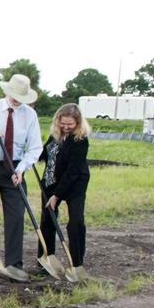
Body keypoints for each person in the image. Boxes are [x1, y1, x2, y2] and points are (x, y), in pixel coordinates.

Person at [0, 73, 43, 271]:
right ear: (6, 91)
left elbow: (35, 148)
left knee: (16, 215)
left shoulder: (30, 115)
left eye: (20, 96)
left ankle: (14, 264)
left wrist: (22, 168)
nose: (16, 99)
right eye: (14, 94)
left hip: (14, 168)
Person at [39, 103, 91, 273]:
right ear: (58, 120)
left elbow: (72, 171)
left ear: (78, 123)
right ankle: (46, 259)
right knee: (48, 220)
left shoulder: (80, 140)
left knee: (76, 222)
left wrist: (56, 195)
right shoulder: (54, 136)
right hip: (50, 181)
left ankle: (76, 264)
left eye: (70, 124)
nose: (66, 127)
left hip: (74, 184)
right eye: (63, 123)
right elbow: (44, 155)